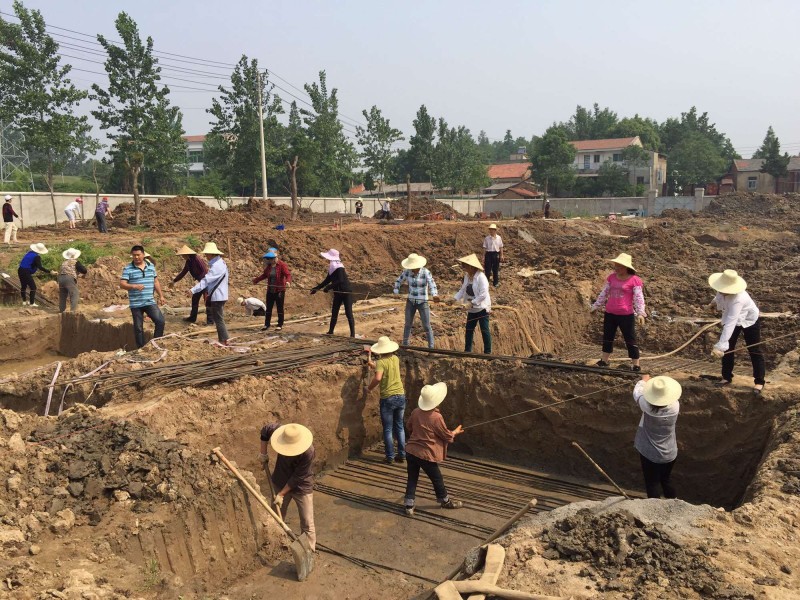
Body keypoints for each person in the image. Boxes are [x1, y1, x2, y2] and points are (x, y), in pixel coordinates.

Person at [403, 382, 464, 516]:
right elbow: (445, 435)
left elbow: (409, 426)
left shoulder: (415, 412)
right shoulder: (437, 417)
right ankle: (445, 500)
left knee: (412, 478)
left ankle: (409, 504)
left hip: (411, 451)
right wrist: (455, 432)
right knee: (437, 478)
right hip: (426, 454)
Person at [259, 423, 316, 552]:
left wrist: (281, 494)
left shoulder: (308, 452)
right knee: (276, 517)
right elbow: (265, 430)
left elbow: (297, 477)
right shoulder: (281, 433)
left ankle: (309, 551)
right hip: (280, 479)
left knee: (307, 522)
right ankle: (277, 544)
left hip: (301, 486)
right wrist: (263, 454)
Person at [708, 269, 765, 394]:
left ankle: (759, 382)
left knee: (754, 350)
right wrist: (713, 303)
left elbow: (731, 322)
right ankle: (726, 377)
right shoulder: (722, 290)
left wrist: (720, 346)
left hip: (749, 320)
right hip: (733, 319)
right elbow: (718, 296)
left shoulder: (738, 299)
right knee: (728, 349)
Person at [591, 253, 646, 371]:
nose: (617, 268)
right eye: (616, 266)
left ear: (626, 267)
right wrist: (596, 306)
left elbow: (638, 298)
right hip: (610, 312)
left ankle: (636, 364)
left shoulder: (634, 280)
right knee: (608, 337)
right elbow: (604, 292)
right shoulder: (612, 277)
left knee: (630, 339)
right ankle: (604, 361)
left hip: (626, 315)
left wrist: (640, 313)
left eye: (619, 266)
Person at [633, 374, 681, 499]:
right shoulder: (675, 406)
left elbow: (637, 393)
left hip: (650, 454)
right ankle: (674, 505)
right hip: (670, 452)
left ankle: (653, 510)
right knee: (666, 480)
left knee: (652, 483)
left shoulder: (647, 406)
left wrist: (643, 381)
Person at [365, 336, 406, 465]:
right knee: (399, 426)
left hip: (388, 398)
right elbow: (384, 367)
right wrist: (373, 364)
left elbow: (378, 378)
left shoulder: (381, 363)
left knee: (388, 429)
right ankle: (402, 454)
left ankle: (390, 456)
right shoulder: (395, 359)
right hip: (400, 396)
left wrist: (369, 388)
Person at [120, 245, 165, 348]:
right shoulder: (128, 269)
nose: (136, 257)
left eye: (138, 255)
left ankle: (155, 344)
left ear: (143, 255)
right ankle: (141, 348)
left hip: (149, 301)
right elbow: (122, 284)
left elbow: (156, 281)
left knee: (160, 321)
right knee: (138, 328)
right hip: (136, 303)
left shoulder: (151, 267)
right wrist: (133, 286)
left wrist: (161, 296)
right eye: (134, 255)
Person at [393, 252, 440, 348]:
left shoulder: (425, 272)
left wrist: (434, 295)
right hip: (410, 301)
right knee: (408, 324)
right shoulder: (407, 272)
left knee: (426, 325)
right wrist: (396, 291)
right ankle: (405, 344)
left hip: (422, 302)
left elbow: (432, 283)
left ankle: (431, 346)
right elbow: (398, 280)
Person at [190, 242, 229, 345]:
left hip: (218, 295)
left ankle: (223, 341)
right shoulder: (220, 263)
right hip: (220, 294)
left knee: (219, 319)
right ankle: (223, 339)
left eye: (207, 254)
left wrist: (193, 290)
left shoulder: (217, 266)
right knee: (218, 318)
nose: (206, 256)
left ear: (211, 254)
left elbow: (206, 280)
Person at [311, 249, 355, 337]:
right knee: (334, 311)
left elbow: (340, 280)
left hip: (346, 292)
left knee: (348, 313)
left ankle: (352, 334)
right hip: (338, 292)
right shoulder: (332, 267)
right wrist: (317, 288)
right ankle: (331, 331)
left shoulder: (339, 267)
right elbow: (327, 280)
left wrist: (328, 287)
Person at [454, 253, 492, 354]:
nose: (464, 268)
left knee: (484, 330)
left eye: (465, 266)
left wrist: (472, 303)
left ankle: (487, 352)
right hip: (472, 309)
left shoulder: (481, 278)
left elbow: (483, 294)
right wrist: (454, 299)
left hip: (482, 308)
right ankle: (467, 351)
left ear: (471, 267)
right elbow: (463, 290)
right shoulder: (467, 277)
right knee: (469, 329)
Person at [171, 245, 212, 325]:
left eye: (182, 255)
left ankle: (210, 321)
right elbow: (183, 272)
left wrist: (202, 282)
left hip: (205, 282)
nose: (182, 257)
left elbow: (204, 271)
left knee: (207, 300)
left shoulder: (197, 259)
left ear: (187, 254)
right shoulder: (188, 262)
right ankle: (192, 318)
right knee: (195, 299)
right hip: (199, 283)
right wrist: (174, 281)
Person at [252, 249, 291, 331]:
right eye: (268, 259)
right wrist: (256, 280)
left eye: (270, 259)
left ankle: (280, 324)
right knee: (268, 308)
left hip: (279, 290)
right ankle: (266, 324)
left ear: (274, 258)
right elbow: (264, 275)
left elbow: (287, 274)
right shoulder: (269, 267)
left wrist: (287, 282)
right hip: (270, 290)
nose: (268, 261)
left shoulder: (281, 265)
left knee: (279, 308)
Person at [17, 243, 51, 307]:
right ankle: (32, 303)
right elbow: (40, 267)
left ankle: (24, 301)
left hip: (20, 270)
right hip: (26, 271)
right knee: (33, 287)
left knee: (23, 286)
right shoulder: (37, 257)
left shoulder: (29, 253)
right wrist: (49, 271)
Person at [58, 248, 87, 313]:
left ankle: (61, 311)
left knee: (63, 295)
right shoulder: (76, 262)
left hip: (61, 279)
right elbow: (84, 270)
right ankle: (73, 312)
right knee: (74, 294)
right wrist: (81, 274)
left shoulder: (64, 262)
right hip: (69, 279)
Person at [482, 223, 504, 288]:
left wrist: (501, 255)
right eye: (490, 230)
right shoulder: (487, 238)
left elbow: (501, 247)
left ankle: (495, 283)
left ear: (495, 230)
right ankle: (486, 283)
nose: (491, 231)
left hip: (496, 254)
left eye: (492, 230)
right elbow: (484, 247)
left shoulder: (499, 238)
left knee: (495, 269)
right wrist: (483, 256)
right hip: (488, 254)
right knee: (487, 270)